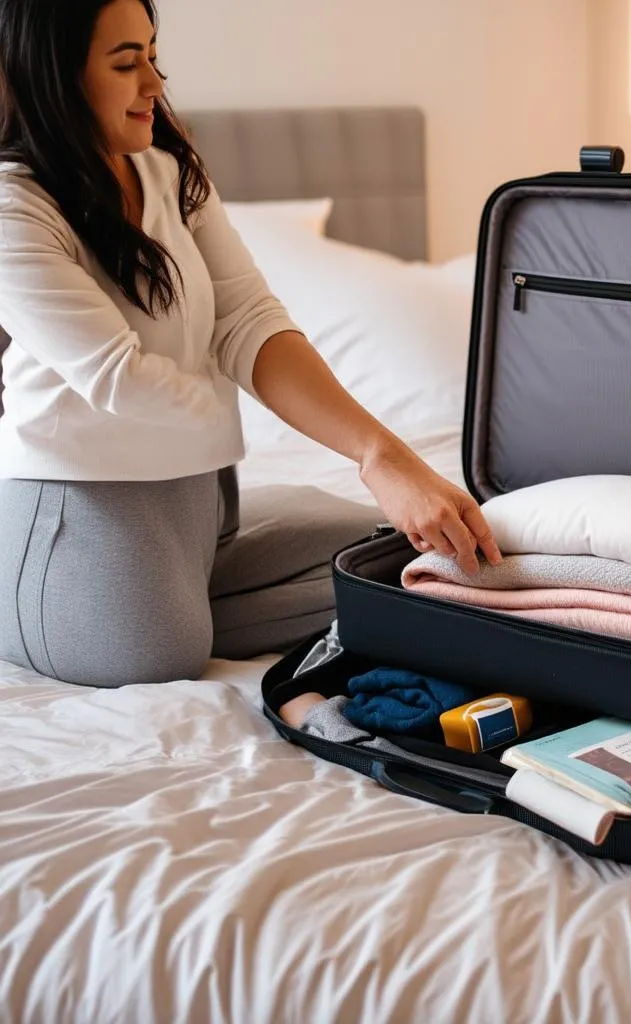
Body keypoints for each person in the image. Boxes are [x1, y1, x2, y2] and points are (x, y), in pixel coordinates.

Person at [0, 0, 501, 687]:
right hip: (85, 509)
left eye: (152, 53)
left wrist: (383, 456)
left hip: (206, 507)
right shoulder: (12, 208)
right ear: (53, 78)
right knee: (161, 657)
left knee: (408, 563)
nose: (155, 82)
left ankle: (180, 595)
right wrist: (250, 400)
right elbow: (120, 379)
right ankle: (32, 591)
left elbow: (248, 320)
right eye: (126, 62)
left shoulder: (167, 172)